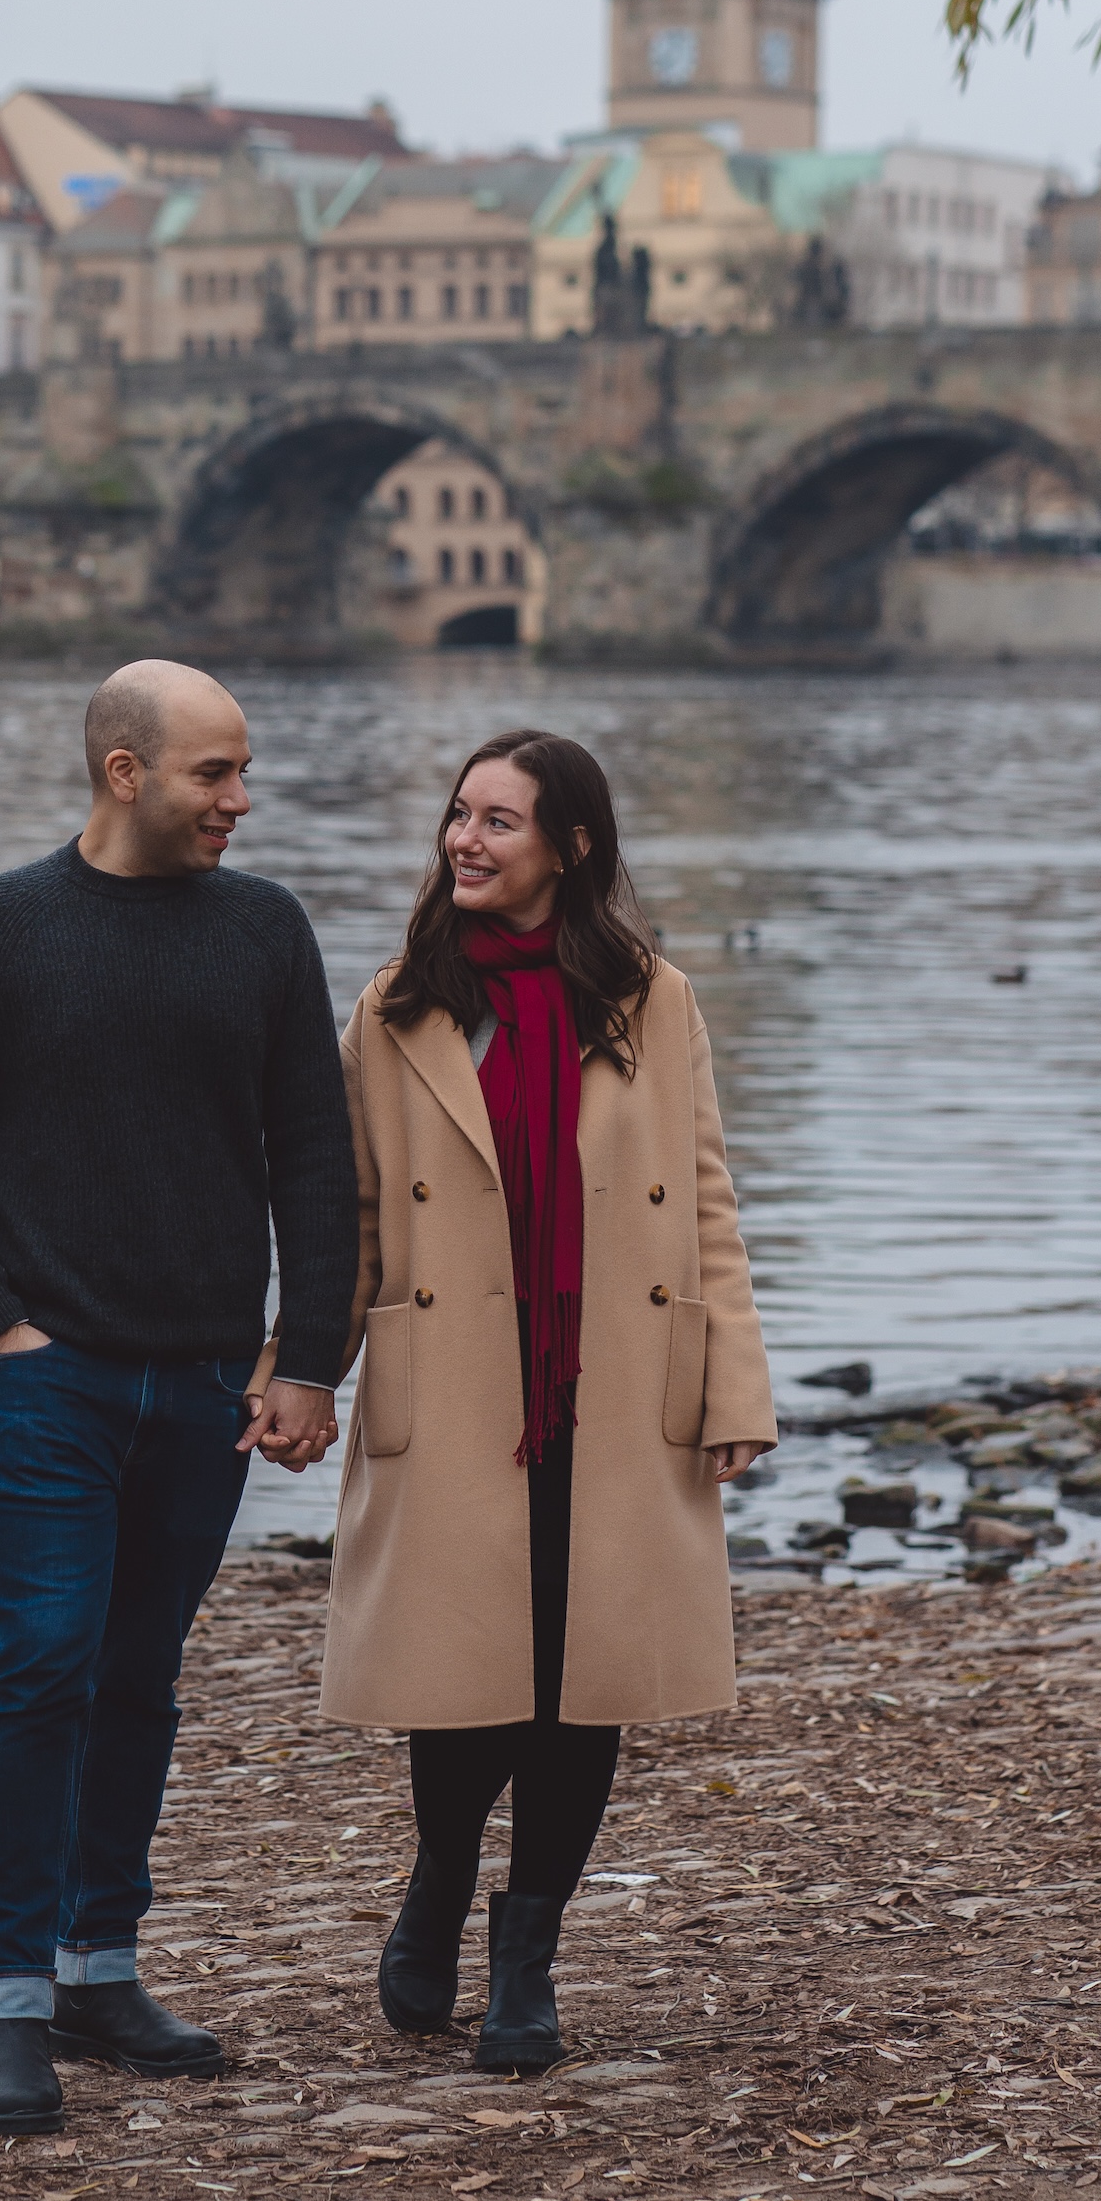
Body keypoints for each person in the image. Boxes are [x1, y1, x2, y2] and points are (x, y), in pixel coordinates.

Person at [0, 660, 356, 2135]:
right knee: (44, 1667)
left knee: (140, 1675)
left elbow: (312, 1161)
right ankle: (10, 2001)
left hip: (212, 1379)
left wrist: (309, 1357)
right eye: (215, 772)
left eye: (244, 769)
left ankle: (101, 1967)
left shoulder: (265, 932)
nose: (241, 798)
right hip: (53, 1381)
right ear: (122, 771)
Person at [304, 726, 773, 2072]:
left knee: (585, 1682)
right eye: (459, 814)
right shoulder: (396, 1010)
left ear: (570, 846)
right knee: (466, 1681)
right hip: (454, 1383)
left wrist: (733, 1380)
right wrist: (303, 1374)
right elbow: (345, 1218)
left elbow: (709, 1199)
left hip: (616, 1384)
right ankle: (442, 1878)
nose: (466, 839)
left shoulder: (652, 1000)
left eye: (499, 821)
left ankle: (529, 1949)